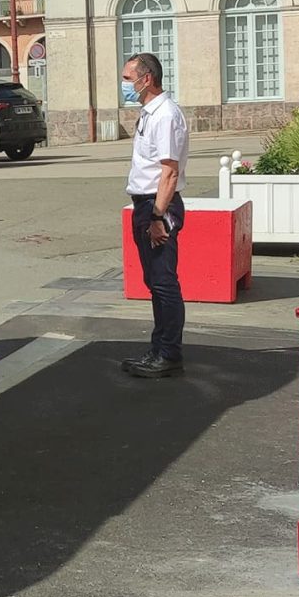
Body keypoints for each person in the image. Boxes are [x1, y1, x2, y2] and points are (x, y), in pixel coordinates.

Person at [120, 51, 189, 378]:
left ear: (146, 79)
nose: (124, 84)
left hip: (158, 204)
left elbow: (169, 172)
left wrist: (158, 217)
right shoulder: (149, 113)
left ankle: (169, 353)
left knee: (164, 282)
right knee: (154, 281)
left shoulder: (165, 115)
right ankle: (159, 347)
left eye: (127, 78)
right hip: (145, 203)